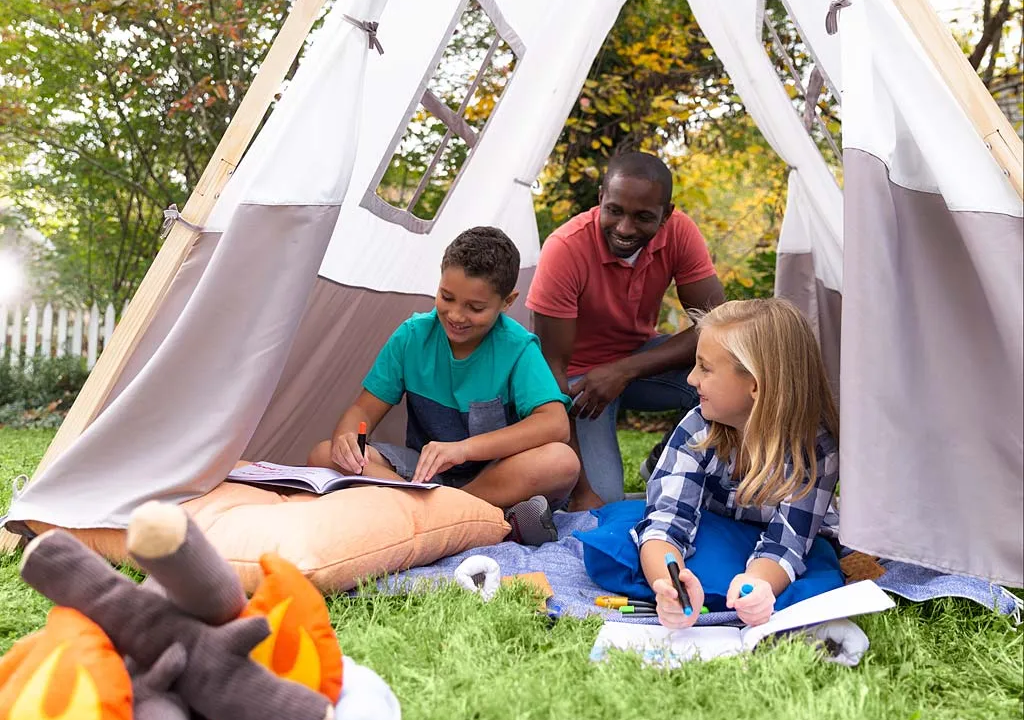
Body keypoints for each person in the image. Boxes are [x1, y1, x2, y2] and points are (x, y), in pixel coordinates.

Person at [308, 226, 578, 545]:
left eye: (475, 308)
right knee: (325, 454)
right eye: (446, 297)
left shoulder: (517, 347)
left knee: (561, 462)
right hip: (422, 474)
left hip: (493, 475)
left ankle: (436, 514)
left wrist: (463, 450)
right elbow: (363, 410)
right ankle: (464, 518)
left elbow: (555, 424)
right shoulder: (412, 336)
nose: (455, 315)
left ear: (507, 302)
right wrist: (349, 438)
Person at [527, 152, 725, 508]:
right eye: (615, 210)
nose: (624, 228)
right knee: (604, 503)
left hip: (639, 365)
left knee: (730, 375)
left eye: (643, 217)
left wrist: (623, 370)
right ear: (601, 197)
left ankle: (665, 461)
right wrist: (583, 490)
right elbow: (549, 371)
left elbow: (715, 324)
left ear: (667, 214)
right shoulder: (565, 248)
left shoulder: (680, 232)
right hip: (578, 388)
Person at [635, 298, 840, 628]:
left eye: (705, 368)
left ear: (756, 386)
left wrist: (755, 587)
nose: (690, 378)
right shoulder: (697, 425)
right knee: (627, 540)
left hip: (781, 538)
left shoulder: (815, 448)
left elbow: (786, 544)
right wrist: (672, 588)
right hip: (711, 527)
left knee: (816, 578)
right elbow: (667, 520)